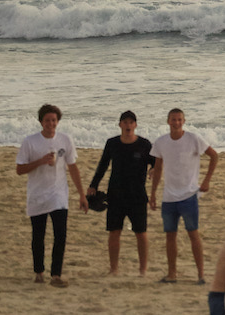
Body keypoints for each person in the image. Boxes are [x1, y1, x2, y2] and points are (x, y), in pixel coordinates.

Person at [15, 103, 87, 286]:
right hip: (37, 195)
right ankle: (39, 272)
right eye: (47, 120)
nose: (51, 123)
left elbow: (72, 167)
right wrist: (40, 161)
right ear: (41, 122)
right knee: (38, 236)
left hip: (59, 194)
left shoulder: (65, 139)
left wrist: (82, 194)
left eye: (54, 120)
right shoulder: (30, 141)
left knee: (60, 235)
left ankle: (56, 275)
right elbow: (20, 169)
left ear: (58, 121)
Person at [149, 107, 219, 284]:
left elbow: (214, 156)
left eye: (179, 119)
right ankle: (172, 274)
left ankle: (201, 274)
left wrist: (206, 181)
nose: (176, 123)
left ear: (184, 121)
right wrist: (153, 194)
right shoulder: (161, 142)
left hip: (189, 195)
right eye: (173, 119)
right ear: (168, 121)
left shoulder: (193, 139)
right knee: (170, 235)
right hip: (168, 197)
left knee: (193, 234)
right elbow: (158, 169)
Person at [87, 109, 153, 276]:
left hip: (137, 195)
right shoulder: (112, 143)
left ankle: (143, 269)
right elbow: (102, 166)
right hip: (116, 194)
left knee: (141, 233)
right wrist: (93, 185)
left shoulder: (145, 144)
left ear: (136, 125)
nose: (128, 125)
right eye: (125, 122)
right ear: (120, 125)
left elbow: (156, 162)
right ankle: (114, 268)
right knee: (114, 232)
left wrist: (154, 169)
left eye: (131, 122)